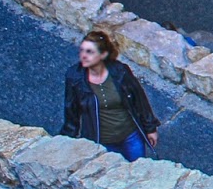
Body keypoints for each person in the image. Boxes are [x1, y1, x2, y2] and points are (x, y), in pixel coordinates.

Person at [60, 30, 160, 162]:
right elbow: (71, 110)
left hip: (130, 136)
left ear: (103, 54)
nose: (83, 55)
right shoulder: (75, 77)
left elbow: (139, 100)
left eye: (89, 52)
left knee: (138, 169)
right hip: (101, 141)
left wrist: (150, 128)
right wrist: (67, 141)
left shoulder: (120, 72)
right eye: (82, 50)